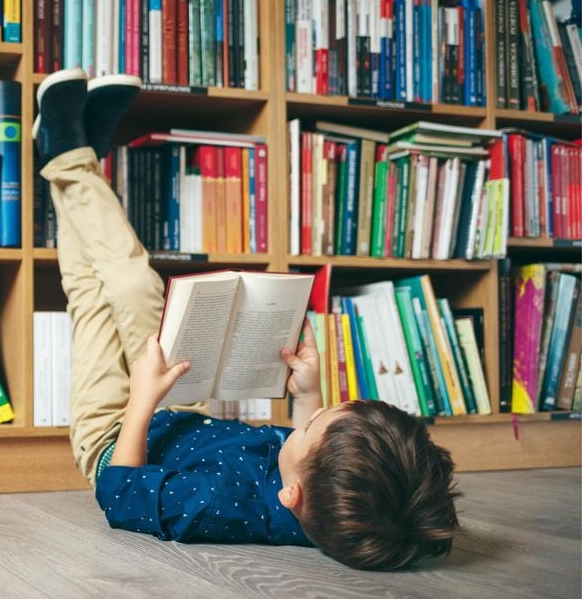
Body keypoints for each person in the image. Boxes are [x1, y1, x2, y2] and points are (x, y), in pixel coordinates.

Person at [35, 68, 461, 571]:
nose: (303, 424)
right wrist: (308, 396)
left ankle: (69, 155)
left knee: (95, 293)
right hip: (180, 404)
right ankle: (69, 155)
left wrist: (143, 398)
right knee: (128, 284)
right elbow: (314, 452)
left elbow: (121, 494)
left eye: (309, 426)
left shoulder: (215, 508)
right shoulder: (331, 496)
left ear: (292, 495)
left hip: (112, 431)